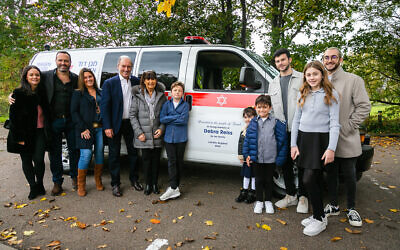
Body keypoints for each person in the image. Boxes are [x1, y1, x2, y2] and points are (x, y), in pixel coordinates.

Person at [322, 47, 371, 227]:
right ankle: (333, 205)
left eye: (333, 57)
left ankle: (351, 209)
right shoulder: (321, 80)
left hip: (347, 137)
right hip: (327, 139)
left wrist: (348, 126)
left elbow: (364, 106)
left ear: (340, 60)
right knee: (331, 174)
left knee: (350, 175)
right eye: (326, 57)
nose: (329, 60)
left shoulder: (353, 80)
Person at [291, 61, 340, 236]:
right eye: (308, 74)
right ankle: (318, 214)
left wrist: (331, 148)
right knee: (311, 180)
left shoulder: (331, 93)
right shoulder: (302, 93)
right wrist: (293, 144)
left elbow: (335, 124)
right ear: (305, 76)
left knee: (309, 179)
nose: (312, 77)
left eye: (315, 74)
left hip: (321, 141)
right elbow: (296, 120)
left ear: (322, 75)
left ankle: (320, 220)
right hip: (304, 140)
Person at [269, 48, 308, 213]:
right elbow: (271, 108)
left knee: (302, 164)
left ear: (290, 60)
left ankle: (303, 198)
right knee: (285, 163)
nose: (280, 63)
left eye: (283, 60)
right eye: (277, 61)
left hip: (300, 128)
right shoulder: (273, 82)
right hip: (281, 130)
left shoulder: (302, 78)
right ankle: (291, 195)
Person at [100, 55, 143, 197]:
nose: (126, 69)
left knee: (133, 153)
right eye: (123, 66)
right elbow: (105, 107)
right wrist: (107, 126)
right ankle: (115, 184)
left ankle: (134, 179)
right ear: (118, 66)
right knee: (114, 155)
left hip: (131, 123)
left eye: (129, 66)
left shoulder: (136, 81)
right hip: (114, 124)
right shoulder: (109, 83)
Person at [8, 65, 50, 199]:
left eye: (37, 75)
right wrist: (18, 137)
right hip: (23, 133)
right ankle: (33, 187)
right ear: (26, 77)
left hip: (39, 132)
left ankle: (40, 184)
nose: (34, 77)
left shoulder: (43, 92)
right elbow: (13, 118)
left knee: (38, 159)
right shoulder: (18, 93)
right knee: (26, 160)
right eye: (31, 75)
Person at [242, 95, 288, 214]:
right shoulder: (253, 122)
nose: (262, 110)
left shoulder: (275, 122)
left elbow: (282, 141)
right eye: (259, 107)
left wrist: (279, 158)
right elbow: (248, 140)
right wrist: (246, 154)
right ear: (255, 108)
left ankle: (268, 201)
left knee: (268, 181)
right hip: (256, 158)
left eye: (264, 107)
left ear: (270, 108)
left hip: (270, 158)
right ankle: (259, 201)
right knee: (258, 180)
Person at [130, 70, 167, 195]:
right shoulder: (137, 96)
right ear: (144, 81)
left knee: (156, 161)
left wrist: (161, 129)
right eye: (148, 79)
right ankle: (147, 185)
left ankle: (155, 184)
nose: (150, 81)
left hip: (156, 134)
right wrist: (139, 132)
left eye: (153, 79)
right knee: (146, 161)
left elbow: (165, 115)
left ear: (156, 80)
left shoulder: (161, 96)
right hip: (143, 135)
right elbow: (132, 115)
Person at [71, 68, 104, 196]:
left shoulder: (100, 92)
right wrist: (82, 128)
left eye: (90, 76)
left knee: (100, 152)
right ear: (81, 80)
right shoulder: (78, 93)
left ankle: (98, 180)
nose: (88, 79)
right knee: (86, 154)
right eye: (85, 77)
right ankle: (81, 185)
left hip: (99, 126)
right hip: (84, 128)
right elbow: (74, 112)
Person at [159, 81, 189, 201]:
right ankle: (173, 187)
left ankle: (174, 187)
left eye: (180, 90)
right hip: (169, 138)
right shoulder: (167, 104)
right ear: (171, 92)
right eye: (175, 90)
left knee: (178, 162)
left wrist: (170, 118)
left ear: (183, 93)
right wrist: (176, 116)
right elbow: (162, 118)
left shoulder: (185, 105)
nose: (177, 92)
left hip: (181, 138)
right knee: (171, 162)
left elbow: (184, 120)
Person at [235, 107, 257, 204]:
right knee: (246, 175)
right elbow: (240, 144)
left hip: (253, 158)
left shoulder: (257, 129)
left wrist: (254, 157)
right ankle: (244, 191)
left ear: (255, 117)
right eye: (245, 117)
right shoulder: (243, 130)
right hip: (245, 158)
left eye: (250, 117)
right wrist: (241, 156)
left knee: (253, 176)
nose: (247, 119)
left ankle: (252, 193)